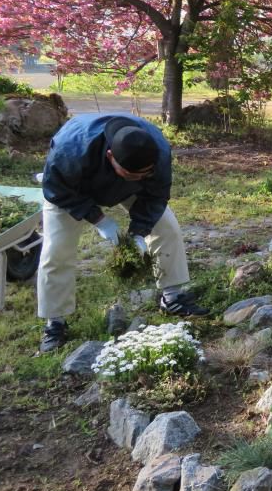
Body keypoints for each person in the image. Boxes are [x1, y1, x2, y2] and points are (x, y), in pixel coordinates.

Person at [37, 114, 207, 352]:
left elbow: (156, 196)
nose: (139, 177)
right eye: (131, 174)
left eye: (143, 174)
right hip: (71, 189)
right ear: (110, 156)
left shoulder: (157, 150)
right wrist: (100, 220)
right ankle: (55, 322)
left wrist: (138, 232)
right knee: (56, 250)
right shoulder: (71, 149)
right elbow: (55, 189)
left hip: (126, 186)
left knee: (167, 226)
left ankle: (172, 297)